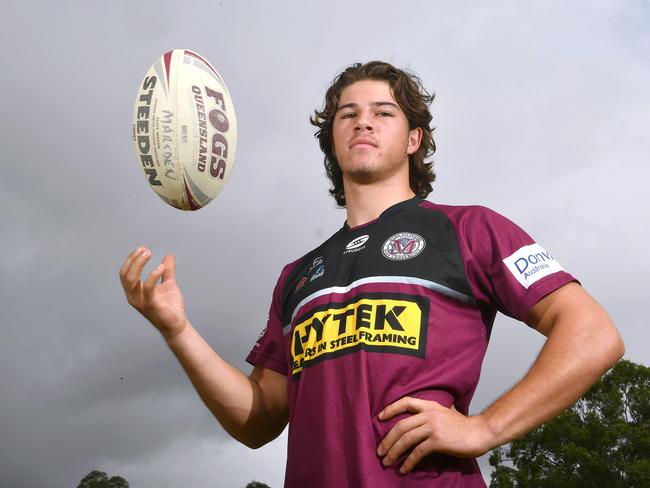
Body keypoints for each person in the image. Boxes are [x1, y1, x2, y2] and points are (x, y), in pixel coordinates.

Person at [119, 61, 624, 487]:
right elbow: (258, 420)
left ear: (413, 139)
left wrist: (486, 427)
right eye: (348, 114)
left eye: (383, 113)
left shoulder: (469, 228)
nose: (364, 122)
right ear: (332, 141)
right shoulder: (297, 276)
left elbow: (592, 332)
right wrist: (177, 330)